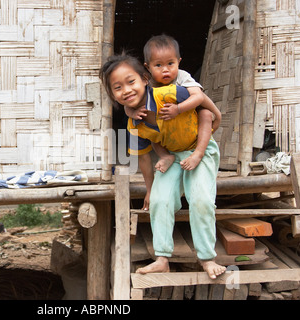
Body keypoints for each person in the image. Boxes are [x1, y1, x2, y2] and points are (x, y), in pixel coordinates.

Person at [99, 53, 226, 279]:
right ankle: (162, 259)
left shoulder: (166, 93)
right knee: (160, 200)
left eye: (131, 82)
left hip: (199, 149)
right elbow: (145, 159)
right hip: (172, 156)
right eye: (117, 87)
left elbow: (199, 97)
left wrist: (216, 114)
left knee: (201, 199)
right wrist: (150, 189)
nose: (126, 90)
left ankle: (207, 258)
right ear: (112, 95)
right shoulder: (133, 123)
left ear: (145, 79)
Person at [125, 34, 221, 175]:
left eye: (170, 63)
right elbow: (129, 103)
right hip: (169, 128)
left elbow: (199, 97)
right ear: (148, 67)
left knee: (205, 114)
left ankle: (198, 153)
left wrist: (178, 109)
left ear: (178, 62)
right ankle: (165, 156)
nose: (165, 69)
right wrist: (132, 113)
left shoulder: (182, 77)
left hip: (190, 121)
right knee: (151, 131)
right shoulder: (148, 83)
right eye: (158, 65)